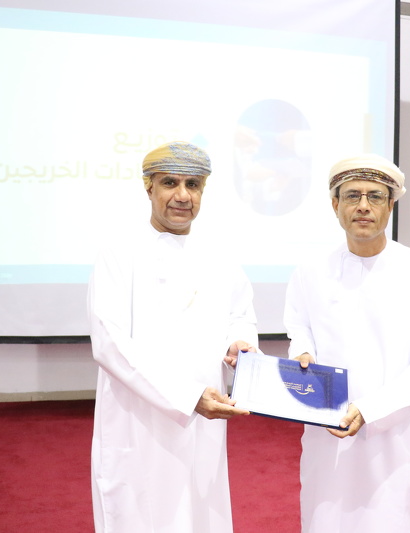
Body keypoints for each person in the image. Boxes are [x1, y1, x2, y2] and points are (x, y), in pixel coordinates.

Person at [88, 141, 258, 533]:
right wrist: (187, 397)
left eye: (193, 185)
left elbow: (240, 316)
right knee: (141, 513)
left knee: (200, 511)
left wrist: (239, 343)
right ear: (148, 187)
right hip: (138, 417)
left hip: (205, 415)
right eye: (170, 183)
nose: (183, 196)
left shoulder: (218, 255)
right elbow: (109, 343)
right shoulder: (119, 253)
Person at [283, 154, 410, 532]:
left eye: (375, 196)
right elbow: (299, 327)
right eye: (352, 196)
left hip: (397, 435)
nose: (363, 206)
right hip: (328, 431)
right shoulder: (310, 271)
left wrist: (374, 409)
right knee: (327, 518)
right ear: (335, 205)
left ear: (390, 205)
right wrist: (302, 353)